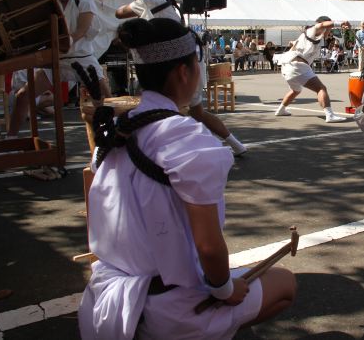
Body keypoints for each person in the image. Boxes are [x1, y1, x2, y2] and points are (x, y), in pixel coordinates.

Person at [78, 18, 296, 340]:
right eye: (199, 63)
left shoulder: (118, 129)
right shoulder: (188, 139)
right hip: (167, 308)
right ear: (184, 71)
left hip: (110, 296)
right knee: (286, 284)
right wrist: (224, 289)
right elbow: (208, 247)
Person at [116, 0, 247, 156]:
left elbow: (119, 13)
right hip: (190, 62)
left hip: (170, 69)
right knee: (197, 112)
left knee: (159, 110)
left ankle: (158, 151)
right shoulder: (170, 4)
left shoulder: (145, 0)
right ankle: (236, 145)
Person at [7, 0, 111, 136]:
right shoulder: (49, 5)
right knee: (22, 96)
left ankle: (113, 136)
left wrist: (68, 41)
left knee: (105, 99)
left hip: (82, 58)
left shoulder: (84, 1)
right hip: (58, 58)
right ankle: (10, 140)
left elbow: (82, 30)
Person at [274, 17, 346, 122]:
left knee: (295, 90)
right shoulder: (312, 30)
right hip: (297, 65)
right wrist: (340, 23)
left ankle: (281, 110)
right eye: (327, 26)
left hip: (287, 67)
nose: (328, 30)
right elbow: (322, 26)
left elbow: (324, 32)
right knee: (321, 88)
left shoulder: (315, 37)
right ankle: (330, 115)